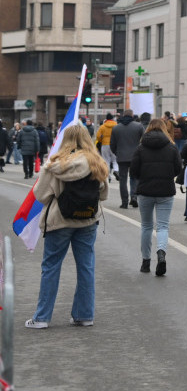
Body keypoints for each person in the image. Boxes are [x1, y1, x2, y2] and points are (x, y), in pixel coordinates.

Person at [26, 123, 110, 329]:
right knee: (86, 266)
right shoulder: (97, 163)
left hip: (59, 221)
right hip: (88, 220)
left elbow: (41, 195)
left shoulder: (55, 165)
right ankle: (84, 315)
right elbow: (104, 194)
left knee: (51, 267)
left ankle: (42, 318)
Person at [131, 118, 183, 276]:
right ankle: (161, 253)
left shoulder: (140, 148)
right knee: (162, 226)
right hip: (166, 191)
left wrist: (144, 177)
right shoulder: (171, 147)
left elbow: (134, 171)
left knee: (146, 226)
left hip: (145, 191)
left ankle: (145, 261)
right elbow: (177, 169)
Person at [94, 115, 116, 180]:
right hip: (114, 144)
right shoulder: (116, 125)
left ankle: (108, 175)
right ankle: (116, 170)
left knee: (106, 160)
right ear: (112, 119)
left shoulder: (102, 126)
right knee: (115, 160)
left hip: (105, 144)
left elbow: (98, 136)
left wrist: (102, 140)